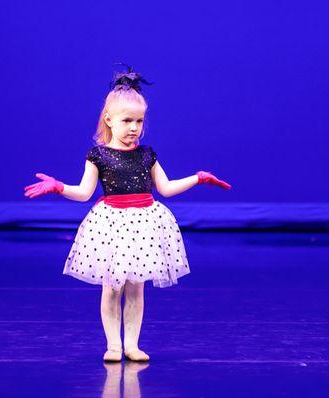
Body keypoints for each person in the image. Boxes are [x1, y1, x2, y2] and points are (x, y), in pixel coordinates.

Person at [24, 64, 231, 363]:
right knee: (112, 287)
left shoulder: (147, 154)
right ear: (109, 119)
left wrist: (198, 178)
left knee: (137, 288)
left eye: (139, 121)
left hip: (145, 221)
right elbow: (84, 192)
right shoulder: (98, 155)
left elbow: (166, 188)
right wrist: (58, 187)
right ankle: (112, 344)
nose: (134, 128)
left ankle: (132, 344)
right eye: (127, 121)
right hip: (113, 224)